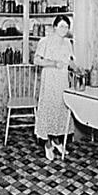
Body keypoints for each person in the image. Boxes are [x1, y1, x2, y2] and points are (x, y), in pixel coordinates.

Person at [34, 15, 77, 160]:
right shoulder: (45, 41)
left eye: (66, 27)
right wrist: (53, 63)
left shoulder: (68, 43)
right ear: (54, 27)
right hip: (50, 79)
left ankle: (57, 141)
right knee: (48, 109)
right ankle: (47, 144)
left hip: (62, 81)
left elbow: (70, 61)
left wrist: (78, 69)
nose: (64, 29)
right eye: (61, 26)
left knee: (60, 110)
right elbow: (36, 60)